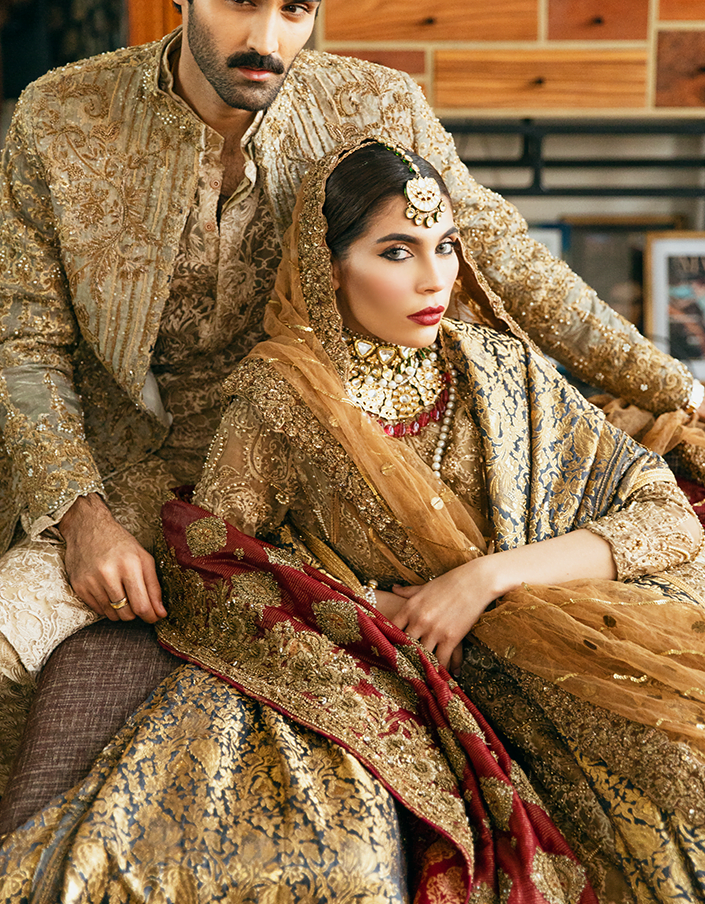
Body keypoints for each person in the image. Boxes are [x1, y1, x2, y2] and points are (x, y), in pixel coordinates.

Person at [0, 0, 704, 791]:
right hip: (126, 482)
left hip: (324, 493)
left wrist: (682, 390)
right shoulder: (59, 119)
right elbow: (27, 344)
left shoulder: (372, 106)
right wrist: (80, 516)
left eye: (297, 8)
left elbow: (515, 268)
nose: (266, 37)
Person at [1, 138, 704, 901]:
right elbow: (211, 560)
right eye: (397, 251)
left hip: (556, 633)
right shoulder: (283, 398)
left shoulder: (503, 370)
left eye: (446, 247)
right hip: (379, 665)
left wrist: (482, 579)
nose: (434, 279)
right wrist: (364, 613)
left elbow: (664, 514)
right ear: (326, 265)